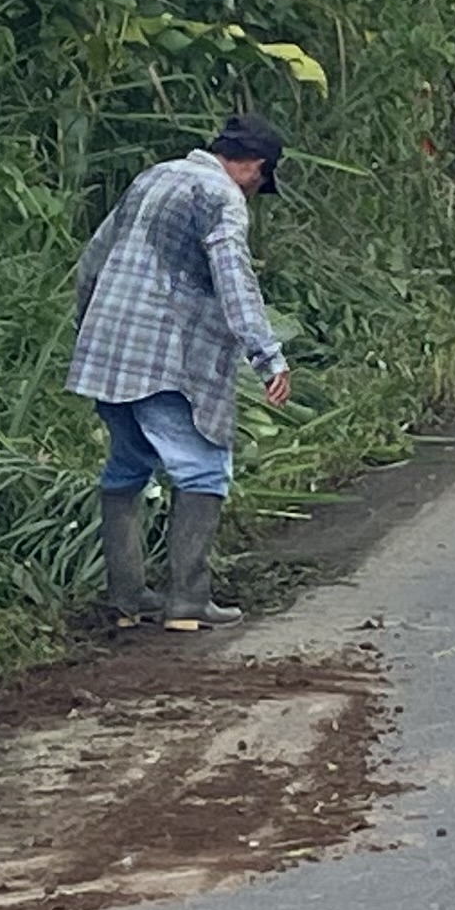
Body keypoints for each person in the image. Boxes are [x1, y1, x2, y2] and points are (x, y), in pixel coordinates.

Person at [69, 114, 293, 634]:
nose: (255, 191)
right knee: (202, 469)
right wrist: (267, 355)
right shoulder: (220, 196)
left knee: (127, 467)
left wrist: (89, 330)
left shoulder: (155, 176)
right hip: (168, 357)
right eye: (260, 182)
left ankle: (128, 598)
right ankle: (188, 600)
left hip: (107, 348)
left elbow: (93, 258)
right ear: (255, 166)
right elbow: (234, 279)